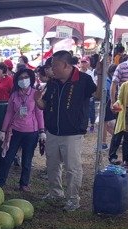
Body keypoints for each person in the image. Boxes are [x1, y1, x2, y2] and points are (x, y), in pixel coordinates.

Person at [35, 50, 97, 211]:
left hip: (73, 133)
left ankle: (73, 198)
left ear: (66, 65)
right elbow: (44, 106)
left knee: (72, 167)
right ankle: (55, 192)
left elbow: (97, 94)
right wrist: (37, 101)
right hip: (53, 131)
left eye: (54, 65)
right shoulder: (53, 83)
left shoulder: (84, 80)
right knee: (52, 164)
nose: (52, 69)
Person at [0, 68, 44, 190]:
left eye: (25, 77)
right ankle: (0, 183)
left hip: (31, 132)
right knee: (7, 158)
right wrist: (3, 130)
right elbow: (9, 113)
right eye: (20, 78)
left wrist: (42, 130)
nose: (23, 80)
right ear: (17, 80)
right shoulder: (14, 95)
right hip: (15, 131)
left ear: (31, 79)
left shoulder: (35, 93)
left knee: (27, 160)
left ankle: (24, 184)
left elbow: (39, 113)